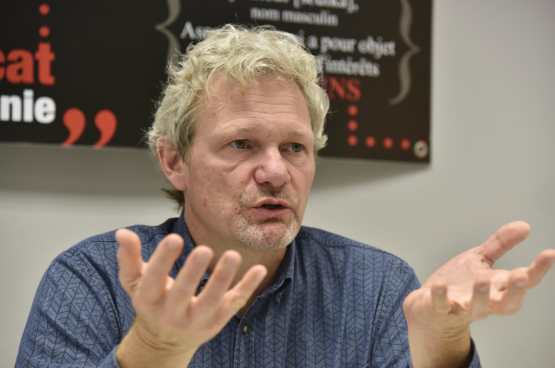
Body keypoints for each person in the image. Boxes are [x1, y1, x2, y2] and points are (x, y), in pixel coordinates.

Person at [16, 25, 555, 368]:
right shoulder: (91, 281)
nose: (275, 172)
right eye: (241, 143)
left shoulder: (377, 289)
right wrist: (153, 352)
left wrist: (441, 348)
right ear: (174, 161)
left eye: (295, 147)